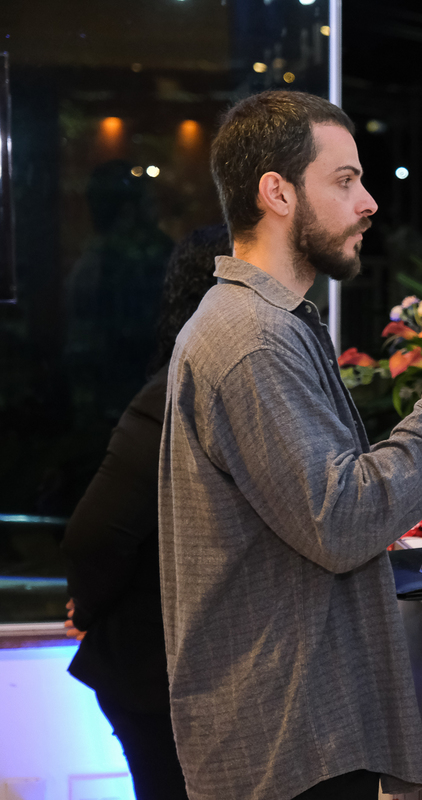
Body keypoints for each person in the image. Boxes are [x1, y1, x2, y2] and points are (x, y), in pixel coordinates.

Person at [159, 91, 422, 800]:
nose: (370, 202)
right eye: (345, 181)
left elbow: (319, 487)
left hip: (295, 725)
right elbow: (341, 520)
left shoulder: (270, 322)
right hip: (286, 739)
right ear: (278, 193)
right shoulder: (252, 340)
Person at [61, 224, 230, 799]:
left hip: (184, 671)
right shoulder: (177, 391)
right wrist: (87, 609)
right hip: (153, 671)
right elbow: (94, 536)